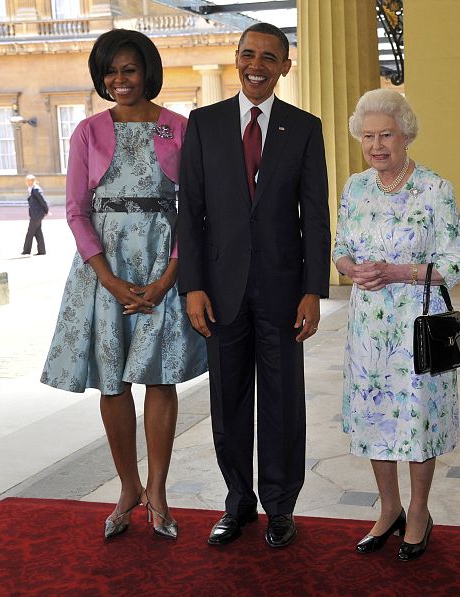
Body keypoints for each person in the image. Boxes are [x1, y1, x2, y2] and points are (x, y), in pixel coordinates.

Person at [41, 29, 207, 540]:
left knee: (159, 377)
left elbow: (194, 211)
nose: (120, 80)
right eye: (110, 71)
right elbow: (75, 211)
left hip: (163, 267)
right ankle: (128, 488)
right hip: (103, 273)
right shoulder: (87, 132)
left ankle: (157, 491)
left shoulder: (180, 128)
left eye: (129, 69)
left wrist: (168, 277)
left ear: (147, 71)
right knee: (112, 382)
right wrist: (109, 280)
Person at [178, 23, 330, 549]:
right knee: (229, 401)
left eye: (269, 56)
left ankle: (280, 506)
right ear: (236, 58)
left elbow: (315, 215)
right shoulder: (204, 124)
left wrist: (313, 290)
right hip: (220, 292)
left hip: (284, 292)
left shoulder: (304, 128)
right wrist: (193, 286)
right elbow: (190, 212)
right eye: (248, 54)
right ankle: (238, 501)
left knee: (283, 402)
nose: (256, 65)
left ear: (285, 66)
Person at [333, 89, 460, 561]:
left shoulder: (435, 189)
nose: (377, 145)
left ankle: (418, 511)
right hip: (367, 329)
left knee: (417, 419)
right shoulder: (355, 188)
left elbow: (457, 262)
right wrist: (351, 269)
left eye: (386, 135)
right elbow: (340, 249)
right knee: (376, 417)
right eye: (368, 136)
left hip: (417, 325)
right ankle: (388, 507)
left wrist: (398, 272)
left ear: (406, 135)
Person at [21, 174, 48, 255]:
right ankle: (42, 251)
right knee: (38, 232)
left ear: (33, 181)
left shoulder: (36, 189)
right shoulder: (32, 189)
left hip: (37, 214)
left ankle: (26, 250)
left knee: (30, 232)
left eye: (29, 181)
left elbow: (42, 201)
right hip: (35, 214)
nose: (27, 182)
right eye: (27, 181)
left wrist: (46, 211)